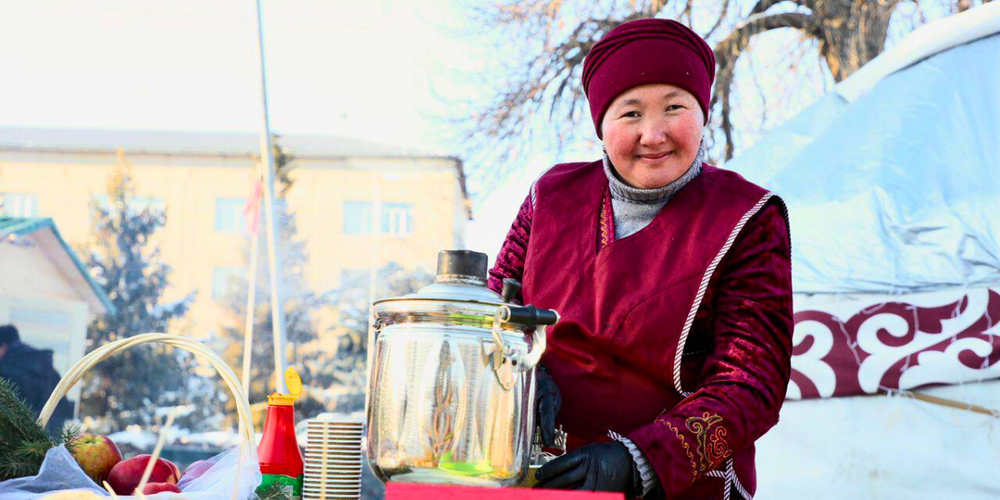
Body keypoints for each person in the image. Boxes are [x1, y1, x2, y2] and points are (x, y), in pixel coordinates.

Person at [487, 18, 793, 500]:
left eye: (674, 108)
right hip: (539, 476)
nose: (653, 134)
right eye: (630, 114)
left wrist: (639, 460)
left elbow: (751, 380)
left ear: (702, 114)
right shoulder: (550, 197)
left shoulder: (747, 218)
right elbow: (494, 313)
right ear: (601, 127)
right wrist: (525, 375)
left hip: (680, 487)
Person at [0, 324, 74, 433]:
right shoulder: (37, 358)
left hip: (34, 428)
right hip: (54, 422)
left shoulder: (9, 366)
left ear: (4, 346)